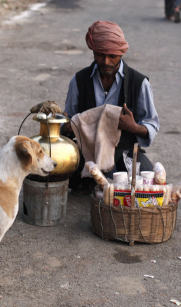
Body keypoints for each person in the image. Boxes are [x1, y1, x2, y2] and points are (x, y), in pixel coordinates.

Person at [63, 21, 160, 195]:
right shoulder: (79, 80)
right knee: (55, 172)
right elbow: (67, 119)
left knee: (145, 186)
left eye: (112, 56)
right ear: (93, 51)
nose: (106, 61)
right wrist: (68, 126)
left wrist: (134, 127)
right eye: (100, 55)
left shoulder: (139, 83)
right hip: (87, 153)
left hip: (123, 153)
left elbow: (151, 125)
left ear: (121, 53)